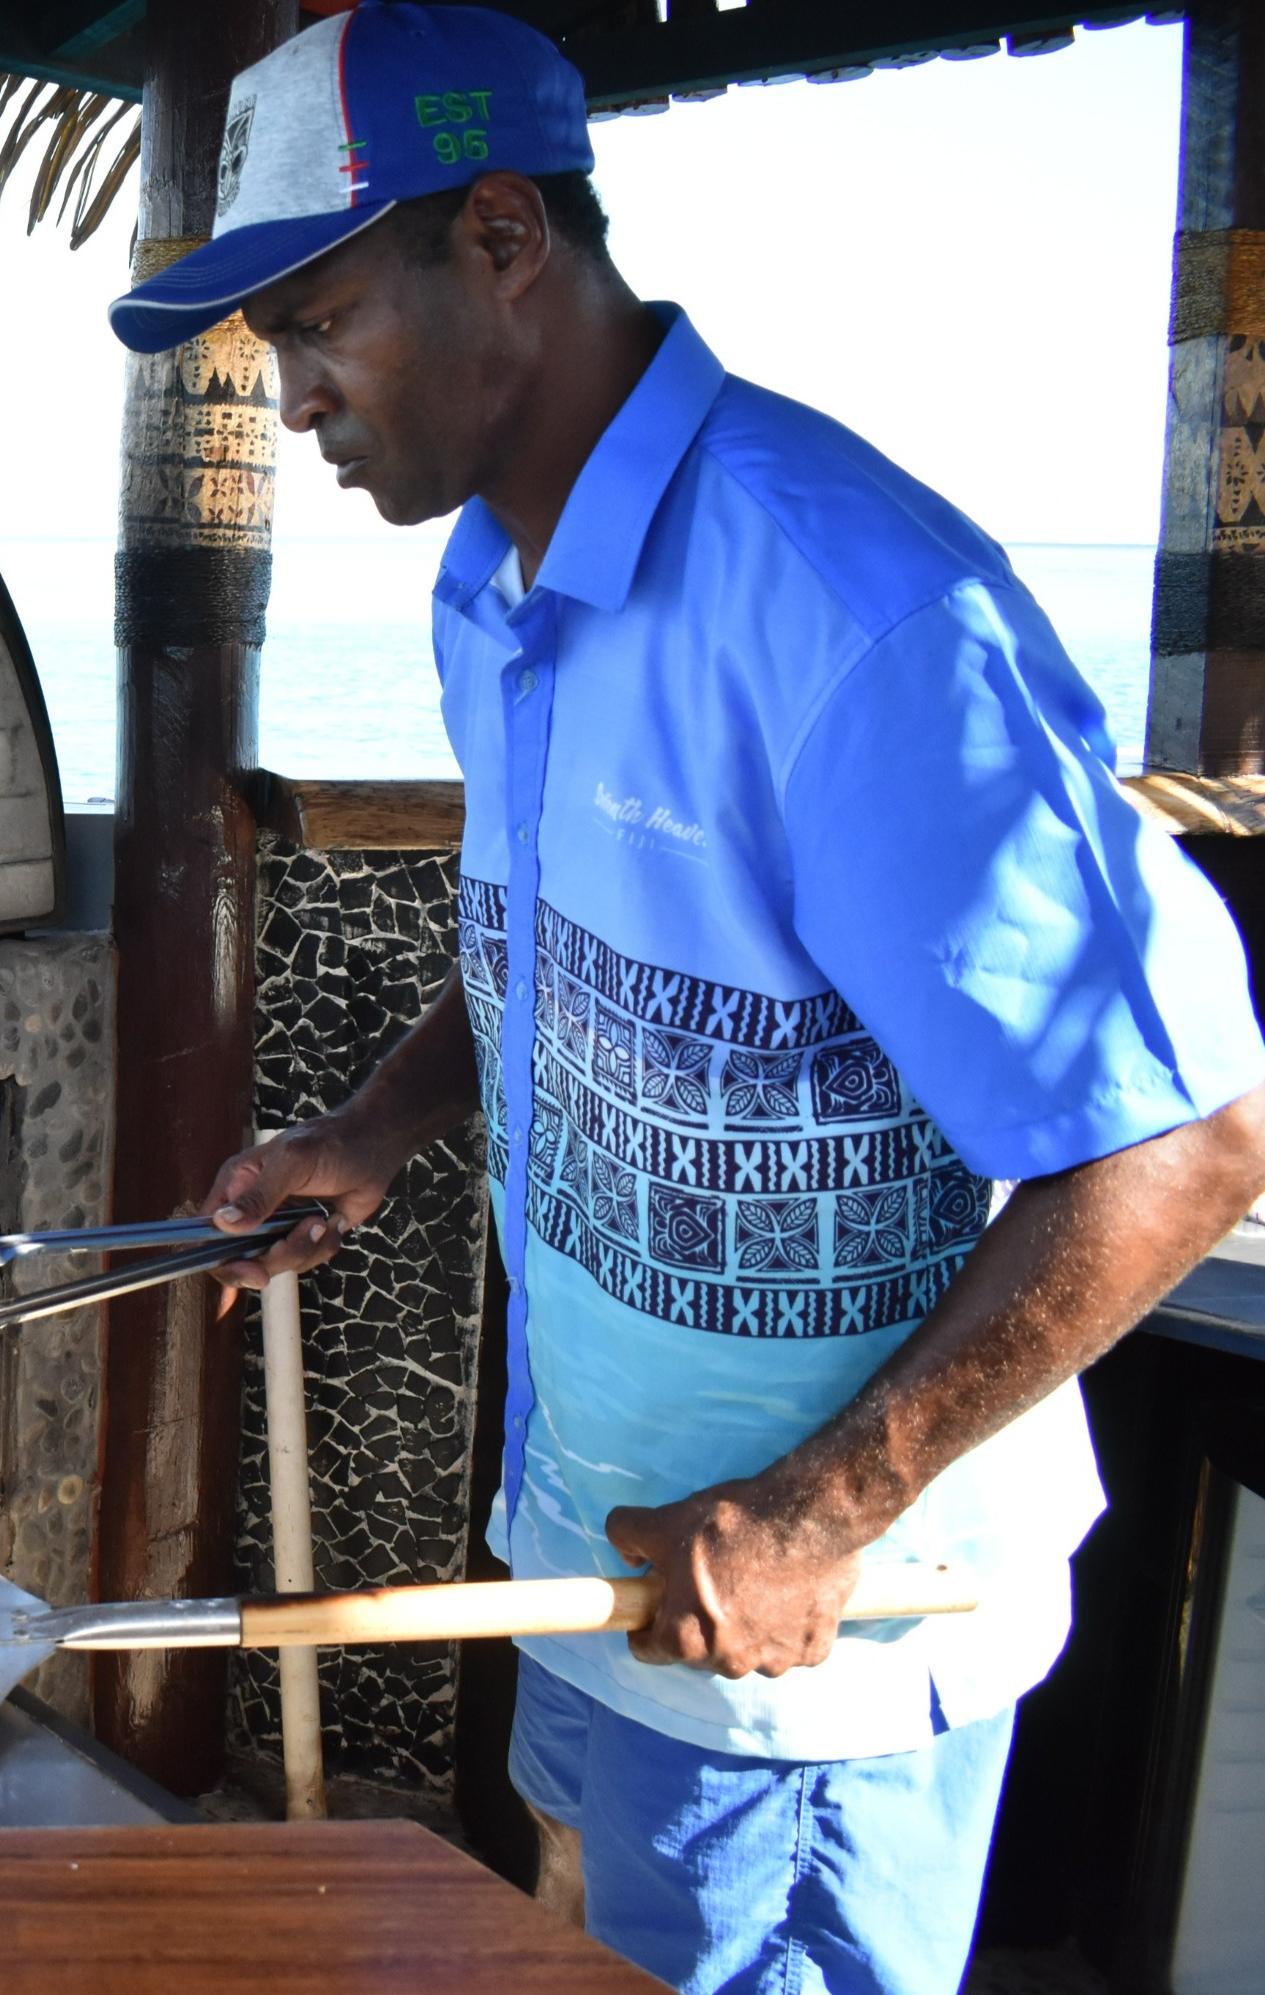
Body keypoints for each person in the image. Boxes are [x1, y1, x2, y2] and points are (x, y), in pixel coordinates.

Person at [108, 7, 1265, 1992]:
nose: (292, 398)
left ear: (497, 239)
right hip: (593, 1565)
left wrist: (825, 1508)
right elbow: (555, 930)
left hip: (816, 1660)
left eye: (316, 321)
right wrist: (377, 1130)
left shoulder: (853, 613)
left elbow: (1180, 1141)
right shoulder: (495, 577)